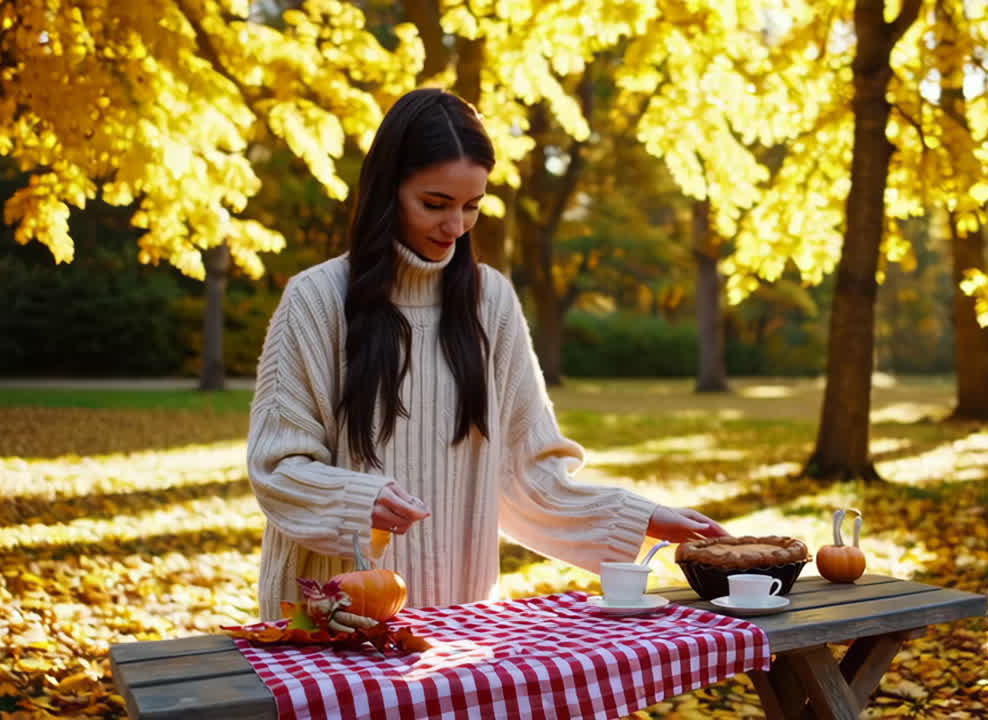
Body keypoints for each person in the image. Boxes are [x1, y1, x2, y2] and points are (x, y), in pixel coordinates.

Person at [247, 88, 727, 620]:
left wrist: (645, 519)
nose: (456, 227)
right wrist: (355, 500)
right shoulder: (316, 300)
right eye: (435, 205)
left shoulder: (489, 300)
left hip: (458, 616)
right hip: (328, 613)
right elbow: (277, 467)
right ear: (387, 191)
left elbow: (528, 474)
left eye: (471, 206)